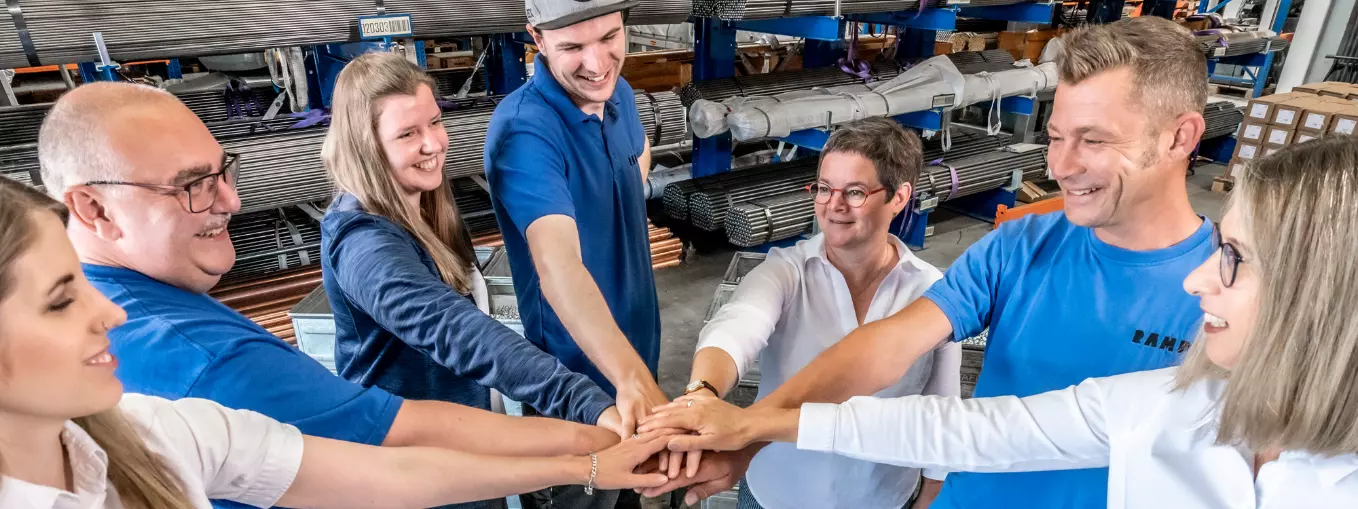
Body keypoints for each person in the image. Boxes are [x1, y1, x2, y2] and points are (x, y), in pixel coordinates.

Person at [640, 17, 1218, 509]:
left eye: (1092, 140)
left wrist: (754, 428)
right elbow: (881, 350)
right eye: (1057, 136)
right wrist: (748, 432)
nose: (1062, 166)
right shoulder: (1018, 248)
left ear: (1179, 138)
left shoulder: (1230, 292)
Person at [639, 136, 1358, 508]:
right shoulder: (1158, 402)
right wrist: (744, 421)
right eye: (823, 190)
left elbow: (943, 410)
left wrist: (754, 426)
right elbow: (967, 427)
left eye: (1234, 256)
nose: (1201, 274)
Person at [37, 82, 619, 508]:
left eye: (223, 172)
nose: (231, 202)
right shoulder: (200, 356)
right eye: (193, 185)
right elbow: (408, 444)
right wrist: (598, 439)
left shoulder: (141, 298)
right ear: (93, 207)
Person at [0, 177, 675, 509]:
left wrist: (591, 456)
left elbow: (394, 472)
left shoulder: (156, 434)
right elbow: (426, 392)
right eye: (62, 296)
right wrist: (587, 416)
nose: (111, 313)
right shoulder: (221, 357)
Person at [319, 52, 624, 463]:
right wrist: (581, 399)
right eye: (407, 134)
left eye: (435, 122)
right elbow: (453, 329)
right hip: (413, 471)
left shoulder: (426, 206)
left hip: (466, 448)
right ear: (365, 146)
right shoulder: (361, 242)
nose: (433, 144)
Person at [677, 118, 960, 509]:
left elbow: (940, 410)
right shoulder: (787, 272)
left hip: (881, 499)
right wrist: (702, 393)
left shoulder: (931, 291)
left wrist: (928, 496)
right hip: (775, 495)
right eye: (825, 189)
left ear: (898, 197)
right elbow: (738, 324)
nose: (834, 205)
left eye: (855, 192)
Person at [484, 0, 664, 505]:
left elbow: (635, 153)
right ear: (536, 39)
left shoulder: (619, 95)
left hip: (634, 352)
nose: (596, 62)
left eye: (609, 38)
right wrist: (631, 377)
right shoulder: (526, 131)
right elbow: (557, 263)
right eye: (572, 47)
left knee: (628, 496)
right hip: (576, 385)